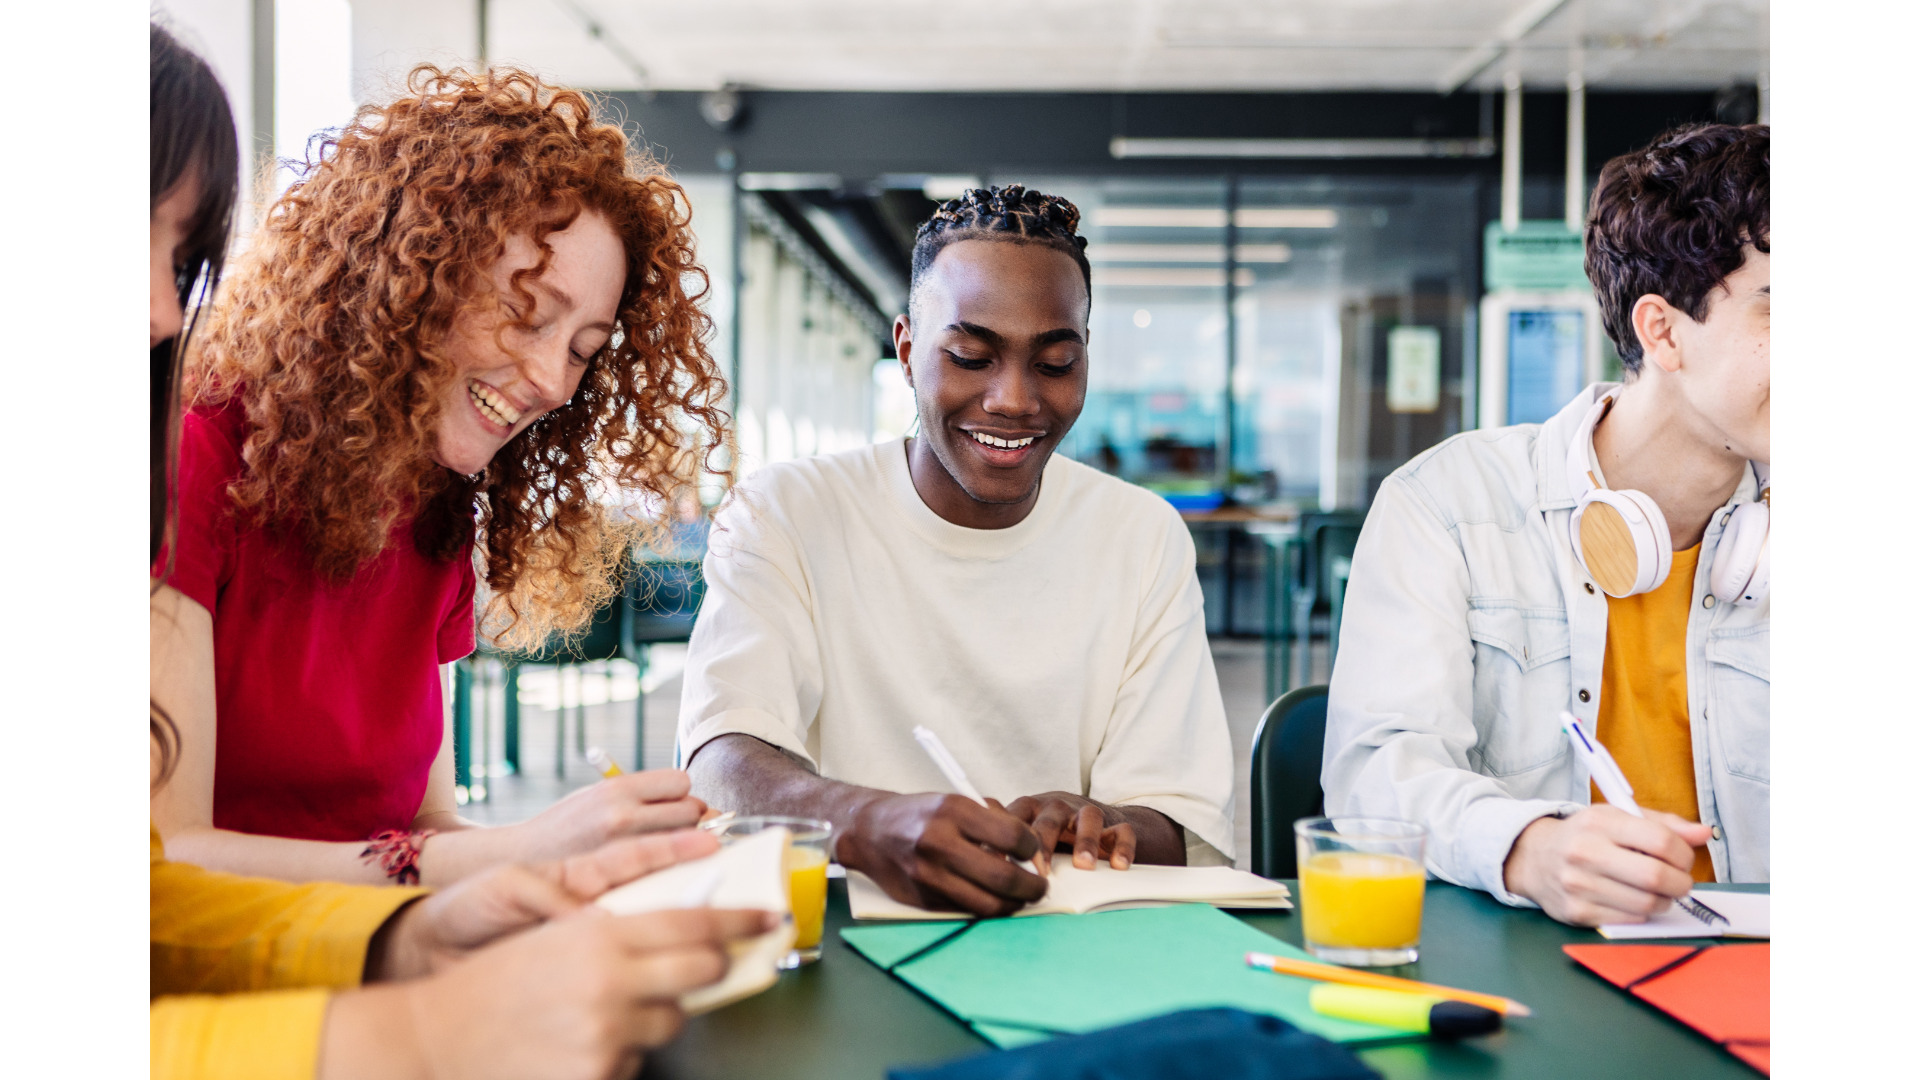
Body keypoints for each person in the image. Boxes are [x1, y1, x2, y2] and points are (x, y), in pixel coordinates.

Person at [148, 25, 772, 1078]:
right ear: (406, 281)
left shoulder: (437, 506)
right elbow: (166, 859)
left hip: (371, 981)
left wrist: (535, 882)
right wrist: (505, 859)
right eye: (526, 316)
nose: (552, 382)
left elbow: (423, 820)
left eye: (583, 349)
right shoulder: (198, 443)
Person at [678, 186, 1236, 917]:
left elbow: (1181, 824)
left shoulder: (1140, 534)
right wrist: (866, 821)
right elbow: (722, 757)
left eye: (1056, 363)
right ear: (908, 351)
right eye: (971, 356)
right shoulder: (788, 511)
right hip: (842, 927)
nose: (1013, 399)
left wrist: (1105, 824)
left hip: (1063, 940)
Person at [1322, 123, 1769, 926]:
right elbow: (1376, 773)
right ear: (1663, 331)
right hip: (1536, 976)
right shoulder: (1451, 505)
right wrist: (1527, 847)